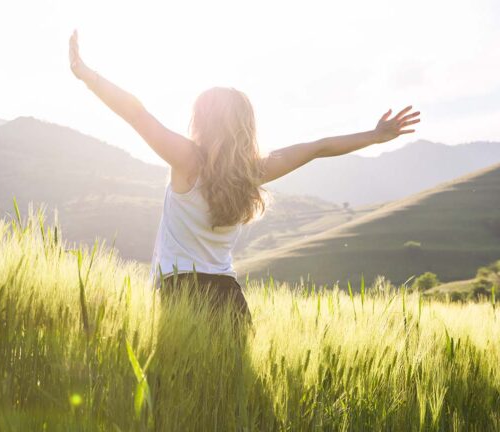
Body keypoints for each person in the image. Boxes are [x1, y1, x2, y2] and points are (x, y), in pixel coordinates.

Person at [68, 30, 420, 324]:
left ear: (201, 121)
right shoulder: (253, 171)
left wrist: (87, 76)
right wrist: (374, 136)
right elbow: (318, 147)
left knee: (179, 396)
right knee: (229, 398)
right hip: (229, 298)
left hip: (181, 293)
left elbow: (137, 114)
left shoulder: (187, 159)